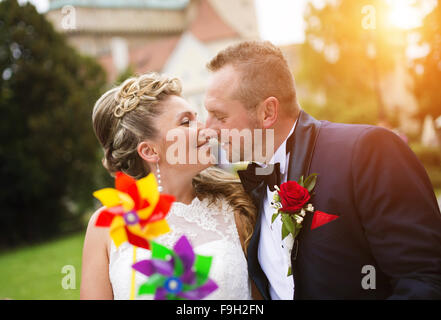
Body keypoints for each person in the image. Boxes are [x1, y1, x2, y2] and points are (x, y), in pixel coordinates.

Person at [204, 40, 441, 299]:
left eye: (220, 116)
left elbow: (424, 278)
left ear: (267, 112)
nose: (208, 129)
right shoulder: (248, 191)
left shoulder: (367, 152)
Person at [80, 73, 256, 300]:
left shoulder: (236, 207)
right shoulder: (105, 227)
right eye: (185, 122)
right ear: (149, 151)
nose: (205, 129)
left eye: (197, 118)